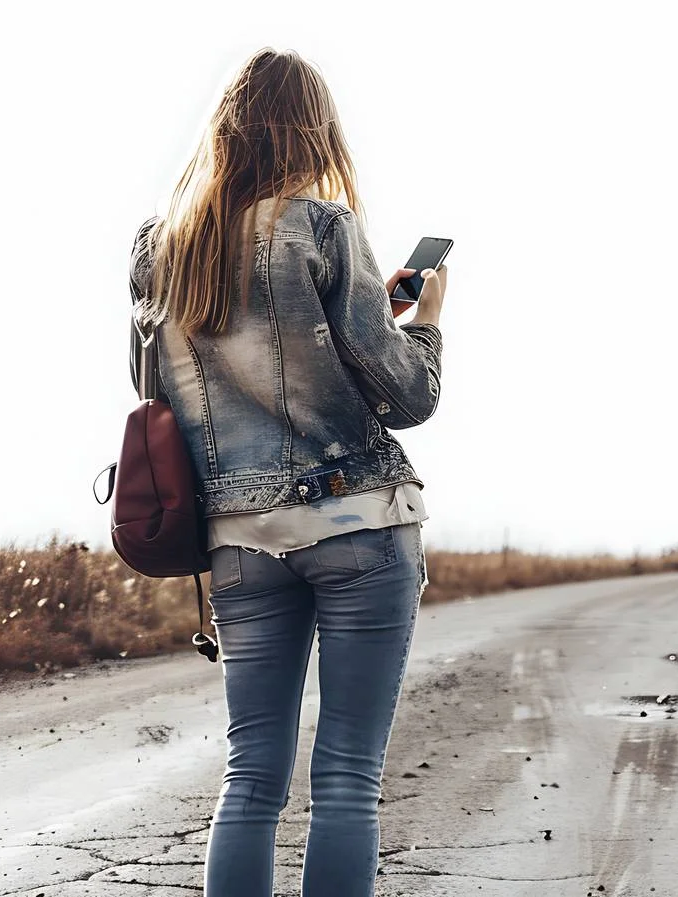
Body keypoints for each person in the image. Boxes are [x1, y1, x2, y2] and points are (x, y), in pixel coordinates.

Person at [127, 48, 448, 897]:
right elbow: (406, 395)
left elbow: (154, 394)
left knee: (249, 781)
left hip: (237, 544)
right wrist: (423, 324)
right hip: (359, 525)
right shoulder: (321, 227)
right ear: (311, 131)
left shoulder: (162, 249)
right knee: (346, 777)